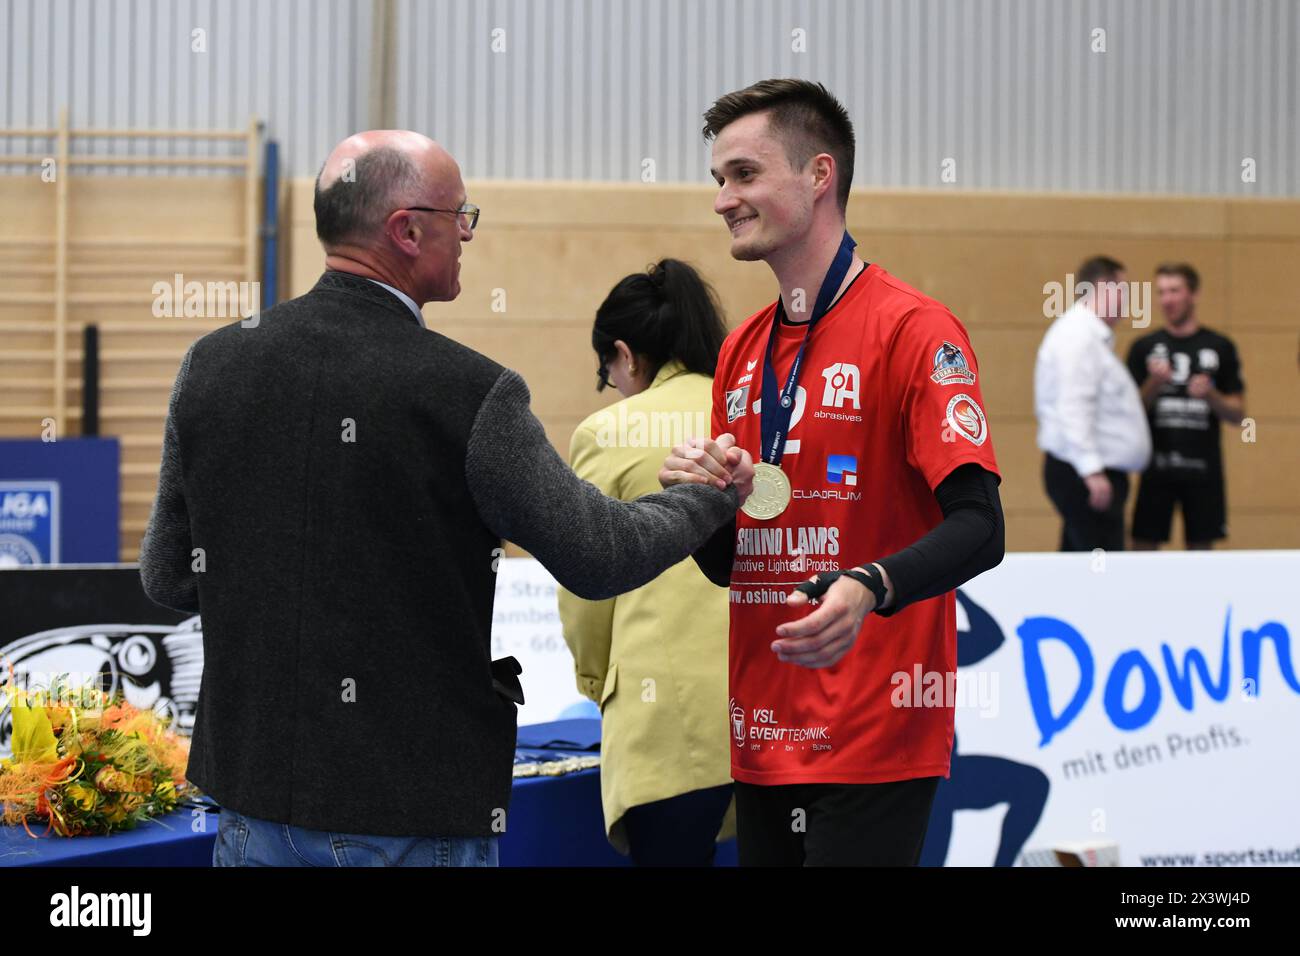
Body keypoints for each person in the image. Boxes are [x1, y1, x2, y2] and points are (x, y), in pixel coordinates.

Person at [138, 130, 749, 867]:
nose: (467, 234)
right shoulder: (470, 392)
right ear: (406, 229)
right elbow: (599, 555)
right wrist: (706, 498)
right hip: (407, 809)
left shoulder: (211, 365)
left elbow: (167, 577)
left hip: (248, 803)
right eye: (461, 216)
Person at [659, 79, 1005, 866]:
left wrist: (868, 584)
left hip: (873, 734)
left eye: (744, 174)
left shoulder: (914, 330)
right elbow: (729, 568)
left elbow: (982, 528)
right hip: (761, 732)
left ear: (820, 175)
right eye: (719, 180)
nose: (722, 199)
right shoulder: (741, 352)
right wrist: (704, 502)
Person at [557, 259, 735, 866]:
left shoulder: (608, 432)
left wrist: (592, 679)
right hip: (777, 712)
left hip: (669, 719)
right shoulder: (752, 408)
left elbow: (585, 578)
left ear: (625, 356)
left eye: (607, 372)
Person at [1034, 255, 1151, 551]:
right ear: (1103, 287)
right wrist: (1091, 471)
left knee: (1080, 559)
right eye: (1123, 291)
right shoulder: (1078, 336)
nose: (1127, 300)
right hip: (1084, 473)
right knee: (1098, 564)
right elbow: (1073, 405)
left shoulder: (1089, 337)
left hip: (1087, 470)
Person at [1127, 263, 1245, 549]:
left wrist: (1211, 396)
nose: (1167, 299)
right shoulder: (1144, 347)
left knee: (1202, 548)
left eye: (1175, 291)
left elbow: (1238, 413)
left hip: (1203, 468)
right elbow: (1128, 412)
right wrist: (1154, 385)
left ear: (1193, 294)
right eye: (1161, 292)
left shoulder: (1220, 346)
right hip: (1156, 467)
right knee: (1143, 544)